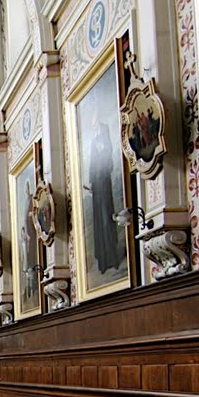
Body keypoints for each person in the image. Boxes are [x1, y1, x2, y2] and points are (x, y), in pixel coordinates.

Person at [86, 110, 120, 274]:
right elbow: (92, 163)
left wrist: (100, 175)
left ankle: (111, 257)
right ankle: (102, 260)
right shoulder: (93, 141)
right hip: (96, 185)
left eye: (95, 122)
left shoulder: (104, 135)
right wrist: (91, 182)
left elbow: (107, 156)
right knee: (99, 221)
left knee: (107, 218)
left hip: (104, 182)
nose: (94, 125)